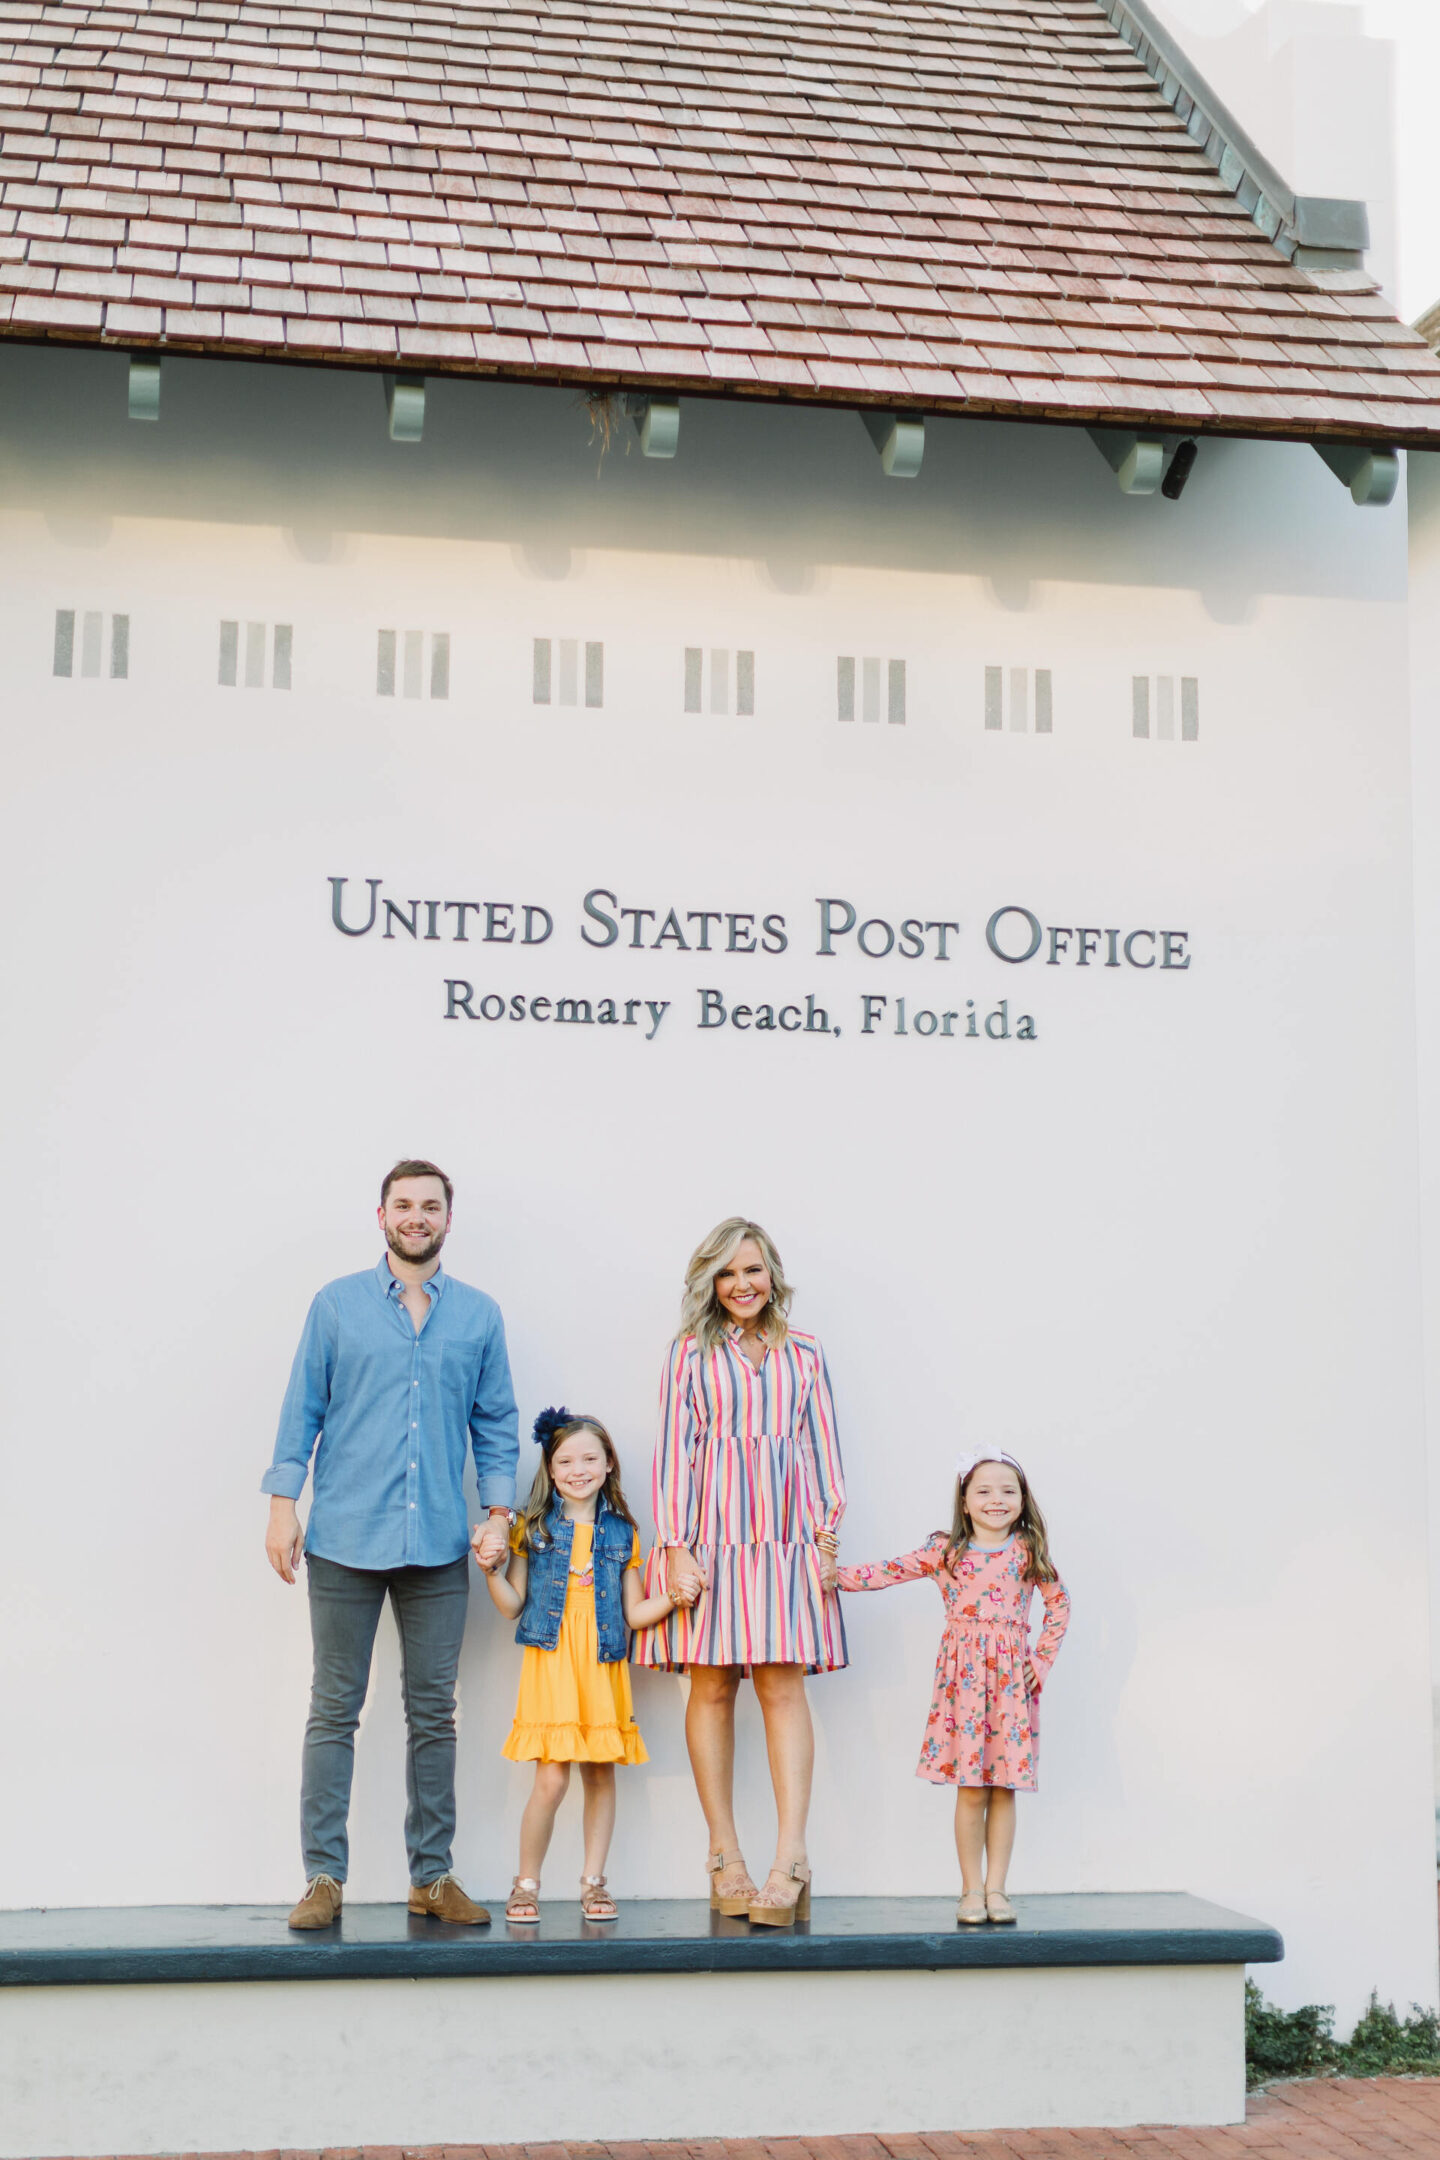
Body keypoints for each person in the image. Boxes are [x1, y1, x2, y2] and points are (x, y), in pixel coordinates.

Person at [262, 1158, 518, 1931]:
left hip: (437, 1542)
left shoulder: (478, 1316)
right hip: (344, 1538)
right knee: (334, 1708)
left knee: (434, 1713)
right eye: (403, 1205)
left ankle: (431, 1877)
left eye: (430, 1206)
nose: (416, 1217)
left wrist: (499, 1514)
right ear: (381, 1216)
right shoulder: (336, 1305)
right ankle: (323, 1877)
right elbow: (302, 1409)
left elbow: (496, 1422)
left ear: (448, 1219)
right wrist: (282, 1507)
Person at [633, 1217, 846, 1927]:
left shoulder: (806, 1352)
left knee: (783, 1686)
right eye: (726, 1272)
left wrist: (825, 1538)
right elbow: (673, 1449)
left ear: (772, 1274)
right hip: (710, 1539)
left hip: (787, 1538)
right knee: (713, 1686)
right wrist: (676, 1545)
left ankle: (792, 1859)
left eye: (752, 1269)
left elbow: (822, 1448)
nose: (741, 1284)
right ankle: (724, 1855)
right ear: (709, 1281)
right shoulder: (688, 1353)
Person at [833, 1452, 1070, 1925]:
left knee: (1003, 1788)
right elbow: (887, 1571)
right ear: (964, 1502)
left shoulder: (1027, 1550)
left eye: (1008, 1490)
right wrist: (829, 1577)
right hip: (964, 1684)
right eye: (983, 1490)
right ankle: (971, 1889)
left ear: (1023, 1500)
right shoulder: (946, 1551)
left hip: (1009, 1685)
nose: (996, 1499)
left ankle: (997, 1889)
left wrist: (1041, 1661)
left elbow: (1059, 1604)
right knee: (971, 1789)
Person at [480, 1407, 676, 1921]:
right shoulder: (533, 1530)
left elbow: (634, 1613)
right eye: (565, 1461)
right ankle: (526, 1885)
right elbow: (511, 1606)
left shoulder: (624, 1533)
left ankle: (593, 1884)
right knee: (550, 1781)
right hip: (552, 1666)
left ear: (609, 1463)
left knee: (600, 1777)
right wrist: (491, 1573)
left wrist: (675, 1597)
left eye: (590, 1458)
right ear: (550, 1468)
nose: (578, 1470)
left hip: (601, 1665)